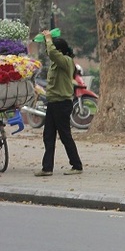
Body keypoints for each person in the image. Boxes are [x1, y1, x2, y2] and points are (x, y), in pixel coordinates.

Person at [35, 30, 83, 176]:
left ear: (60, 50)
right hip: (53, 102)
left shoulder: (66, 61)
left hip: (62, 104)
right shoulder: (57, 63)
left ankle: (77, 165)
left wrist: (49, 39)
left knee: (65, 135)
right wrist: (46, 39)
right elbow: (51, 53)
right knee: (48, 135)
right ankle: (47, 168)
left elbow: (53, 53)